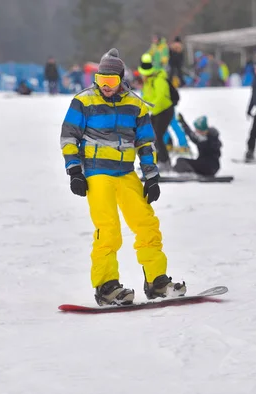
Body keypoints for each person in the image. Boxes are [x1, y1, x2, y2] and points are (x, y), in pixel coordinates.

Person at [60, 48, 186, 306]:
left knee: (147, 225)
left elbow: (146, 144)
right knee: (108, 230)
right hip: (96, 173)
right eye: (101, 81)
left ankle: (157, 281)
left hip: (126, 173)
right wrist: (74, 170)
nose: (106, 87)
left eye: (112, 81)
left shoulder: (135, 106)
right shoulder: (83, 102)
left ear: (121, 79)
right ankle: (107, 286)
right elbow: (69, 137)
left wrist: (151, 177)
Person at [139, 53, 176, 172]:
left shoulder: (160, 79)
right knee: (151, 136)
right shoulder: (147, 82)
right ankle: (155, 161)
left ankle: (165, 162)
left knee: (157, 135)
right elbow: (145, 98)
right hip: (156, 112)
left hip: (165, 110)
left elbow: (160, 98)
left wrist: (151, 108)